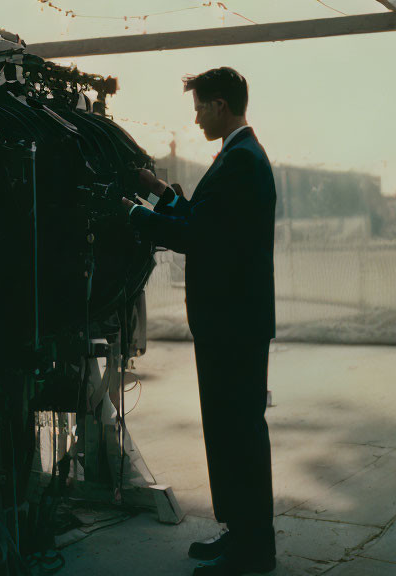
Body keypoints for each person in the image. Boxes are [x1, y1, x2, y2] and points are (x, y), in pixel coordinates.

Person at [123, 67, 277, 576]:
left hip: (232, 325)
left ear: (220, 106)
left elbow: (196, 237)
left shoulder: (240, 162)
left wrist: (136, 217)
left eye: (199, 107)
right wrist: (160, 192)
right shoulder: (240, 158)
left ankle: (253, 549)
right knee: (230, 430)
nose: (194, 117)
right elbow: (201, 220)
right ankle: (240, 533)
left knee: (237, 433)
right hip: (231, 323)